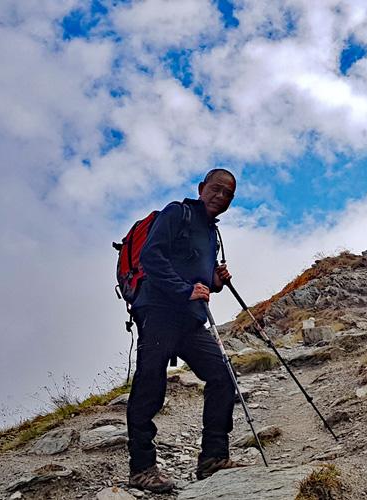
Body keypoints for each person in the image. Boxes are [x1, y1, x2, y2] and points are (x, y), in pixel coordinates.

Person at [126, 168, 244, 493]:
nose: (220, 197)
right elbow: (151, 256)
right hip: (159, 310)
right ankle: (142, 468)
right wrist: (184, 290)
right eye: (216, 189)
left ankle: (213, 459)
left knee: (222, 377)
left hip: (190, 319)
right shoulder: (177, 212)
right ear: (202, 187)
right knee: (151, 382)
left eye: (228, 195)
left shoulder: (210, 233)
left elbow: (199, 282)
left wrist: (214, 282)